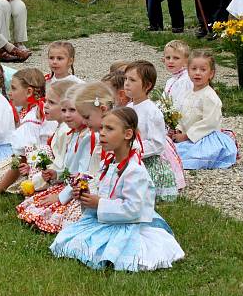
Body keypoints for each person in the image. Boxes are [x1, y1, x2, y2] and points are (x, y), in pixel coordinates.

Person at [49, 107, 185, 272]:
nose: (102, 134)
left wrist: (99, 204)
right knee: (68, 239)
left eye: (110, 129)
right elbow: (105, 191)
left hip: (129, 223)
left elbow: (133, 209)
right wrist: (86, 196)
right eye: (101, 128)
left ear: (127, 134)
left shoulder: (135, 171)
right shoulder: (110, 163)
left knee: (109, 249)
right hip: (108, 219)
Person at [16, 83, 94, 233]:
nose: (67, 115)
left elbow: (84, 174)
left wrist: (60, 196)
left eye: (72, 110)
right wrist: (55, 174)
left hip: (80, 190)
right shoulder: (74, 134)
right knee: (34, 206)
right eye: (64, 110)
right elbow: (68, 166)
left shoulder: (88, 137)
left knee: (56, 213)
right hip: (70, 184)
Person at [0, 67, 50, 197]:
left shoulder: (31, 120)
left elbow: (22, 158)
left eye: (13, 88)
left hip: (34, 167)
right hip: (41, 162)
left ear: (29, 92)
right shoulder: (42, 109)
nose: (10, 93)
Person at [124, 61, 182, 201]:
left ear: (147, 85)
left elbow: (157, 144)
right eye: (125, 79)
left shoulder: (152, 112)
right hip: (129, 155)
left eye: (132, 80)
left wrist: (134, 151)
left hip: (147, 161)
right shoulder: (129, 106)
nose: (126, 83)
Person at [172, 50, 238, 169]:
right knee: (170, 149)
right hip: (187, 135)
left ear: (211, 74)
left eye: (203, 70)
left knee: (187, 156)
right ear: (188, 71)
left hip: (205, 137)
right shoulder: (188, 93)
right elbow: (183, 114)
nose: (198, 73)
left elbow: (209, 123)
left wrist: (187, 136)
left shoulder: (209, 96)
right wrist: (179, 129)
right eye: (194, 69)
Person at [162, 39, 192, 112]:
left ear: (186, 61)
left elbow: (182, 105)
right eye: (168, 58)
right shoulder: (171, 80)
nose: (171, 61)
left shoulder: (187, 80)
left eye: (176, 58)